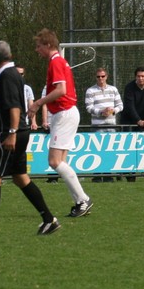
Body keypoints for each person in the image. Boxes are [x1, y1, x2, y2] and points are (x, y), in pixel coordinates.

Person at [0, 40, 61, 238]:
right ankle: (49, 220)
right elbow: (9, 104)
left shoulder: (7, 76)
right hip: (18, 131)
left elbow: (14, 107)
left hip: (9, 134)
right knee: (20, 177)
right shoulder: (12, 74)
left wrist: (11, 132)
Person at [27, 29, 92, 217]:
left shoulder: (56, 61)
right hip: (66, 113)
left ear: (48, 45)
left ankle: (83, 199)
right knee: (60, 161)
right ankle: (80, 202)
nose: (37, 50)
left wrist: (38, 103)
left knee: (54, 161)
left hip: (64, 113)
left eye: (39, 46)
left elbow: (61, 90)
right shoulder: (59, 61)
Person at [84, 67, 123, 182]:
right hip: (97, 125)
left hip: (111, 125)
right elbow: (89, 107)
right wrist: (101, 112)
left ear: (106, 77)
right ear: (95, 77)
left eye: (102, 76)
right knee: (96, 151)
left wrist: (112, 111)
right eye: (98, 76)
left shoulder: (113, 89)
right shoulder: (90, 91)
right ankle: (96, 176)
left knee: (109, 151)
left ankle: (108, 175)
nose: (100, 78)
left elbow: (120, 105)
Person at [16, 66, 38, 130]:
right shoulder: (6, 88)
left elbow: (31, 107)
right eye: (17, 74)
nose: (19, 76)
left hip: (23, 122)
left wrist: (33, 122)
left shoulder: (27, 89)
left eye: (21, 74)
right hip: (9, 123)